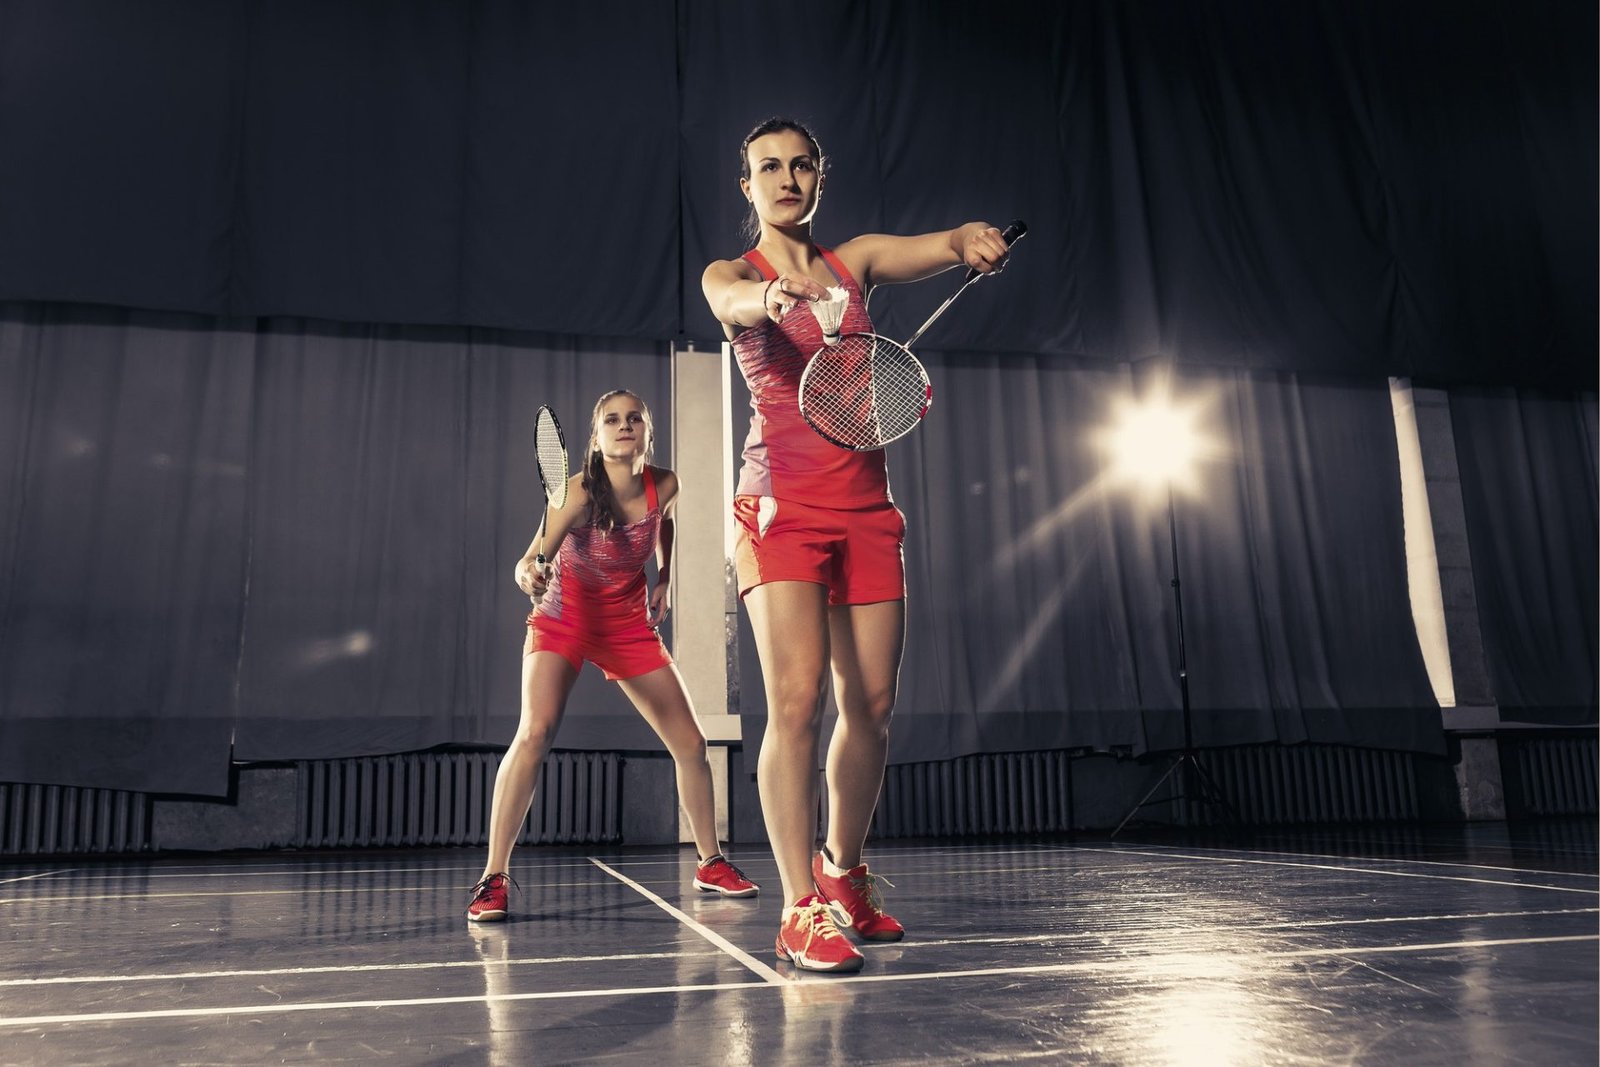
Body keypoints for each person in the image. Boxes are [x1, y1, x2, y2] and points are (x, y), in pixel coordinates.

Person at [701, 117, 1011, 971]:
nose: (787, 178)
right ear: (748, 186)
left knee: (871, 706)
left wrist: (970, 240)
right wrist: (764, 303)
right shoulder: (733, 273)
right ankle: (800, 906)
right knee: (795, 703)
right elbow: (728, 300)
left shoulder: (856, 260)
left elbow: (941, 244)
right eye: (770, 167)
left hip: (867, 507)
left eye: (802, 165)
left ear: (819, 178)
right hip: (781, 507)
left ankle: (842, 874)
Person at [467, 389, 758, 921]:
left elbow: (664, 523)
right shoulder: (576, 493)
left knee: (692, 743)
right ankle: (493, 877)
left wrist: (664, 579)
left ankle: (710, 862)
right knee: (535, 732)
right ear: (596, 437)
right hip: (565, 618)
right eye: (611, 420)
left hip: (627, 624)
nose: (624, 426)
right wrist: (530, 573)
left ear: (648, 431)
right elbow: (529, 561)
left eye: (634, 419)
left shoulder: (664, 484)